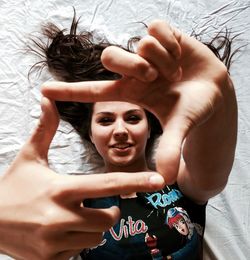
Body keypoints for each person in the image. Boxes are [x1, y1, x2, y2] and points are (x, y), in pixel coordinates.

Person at [33, 11, 237, 259]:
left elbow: (213, 166)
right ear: (91, 134)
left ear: (150, 127)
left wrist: (221, 91)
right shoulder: (77, 206)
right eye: (106, 120)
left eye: (133, 118)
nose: (120, 131)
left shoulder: (181, 183)